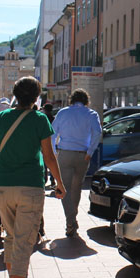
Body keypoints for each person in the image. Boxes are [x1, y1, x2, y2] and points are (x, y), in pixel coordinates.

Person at [0, 76, 66, 278]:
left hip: (2, 187)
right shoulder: (39, 120)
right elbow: (49, 156)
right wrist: (59, 183)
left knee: (12, 238)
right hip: (30, 188)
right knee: (24, 243)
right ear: (36, 97)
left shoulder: (2, 118)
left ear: (15, 95)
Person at [51, 88, 102, 238]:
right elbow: (97, 133)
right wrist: (90, 152)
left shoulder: (63, 113)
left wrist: (55, 151)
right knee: (76, 188)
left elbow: (52, 133)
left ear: (71, 100)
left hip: (65, 153)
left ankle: (70, 221)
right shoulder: (91, 114)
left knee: (63, 188)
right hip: (82, 155)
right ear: (86, 100)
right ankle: (73, 218)